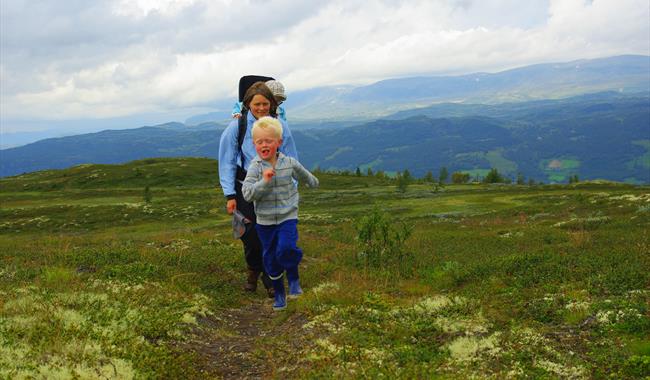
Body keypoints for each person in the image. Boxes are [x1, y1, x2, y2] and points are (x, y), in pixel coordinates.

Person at [218, 81, 298, 297]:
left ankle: (270, 277)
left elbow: (290, 154)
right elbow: (226, 161)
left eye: (265, 104)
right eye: (257, 104)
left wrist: (292, 184)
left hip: (275, 184)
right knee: (249, 233)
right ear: (248, 105)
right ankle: (254, 268)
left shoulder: (280, 126)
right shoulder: (238, 126)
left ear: (271, 104)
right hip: (247, 184)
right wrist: (229, 194)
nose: (261, 109)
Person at [242, 116, 319, 310]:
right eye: (260, 142)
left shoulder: (289, 163)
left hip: (288, 216)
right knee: (270, 258)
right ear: (254, 144)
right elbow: (248, 194)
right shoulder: (255, 167)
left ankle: (293, 278)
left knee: (286, 248)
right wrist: (264, 182)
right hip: (265, 222)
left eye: (269, 141)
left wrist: (312, 182)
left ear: (279, 142)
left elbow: (305, 175)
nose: (264, 145)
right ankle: (279, 293)